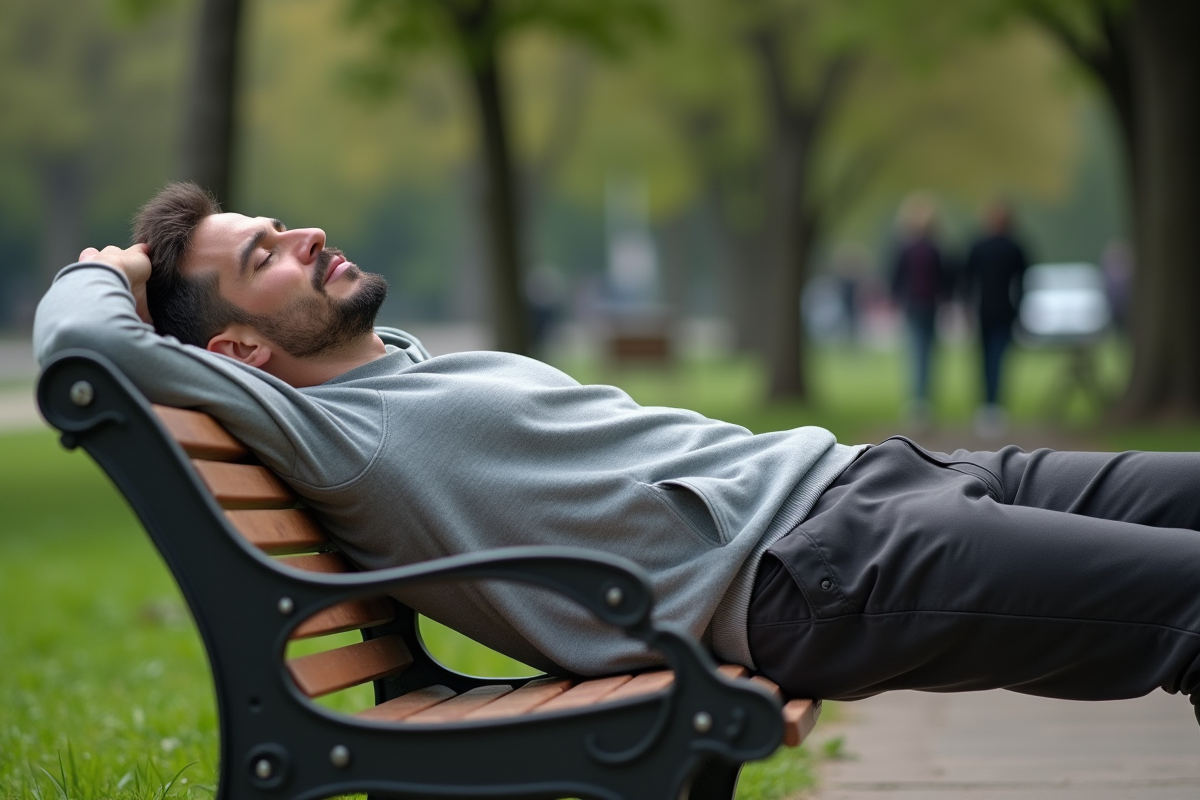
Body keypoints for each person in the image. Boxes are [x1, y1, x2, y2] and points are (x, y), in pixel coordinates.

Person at [34, 183, 1200, 720]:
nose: (309, 232)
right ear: (237, 351)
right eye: (267, 254)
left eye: (280, 223)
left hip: (873, 480)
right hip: (822, 564)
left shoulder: (401, 361)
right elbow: (82, 347)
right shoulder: (323, 430)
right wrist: (114, 269)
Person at [962, 201, 1029, 437]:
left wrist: (967, 308)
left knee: (984, 360)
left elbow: (967, 280)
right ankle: (994, 406)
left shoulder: (979, 246)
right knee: (997, 360)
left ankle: (987, 406)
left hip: (984, 311)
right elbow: (1023, 281)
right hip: (1004, 311)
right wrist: (1020, 309)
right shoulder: (1015, 247)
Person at [888, 193, 951, 427]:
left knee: (916, 352)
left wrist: (896, 297)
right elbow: (945, 278)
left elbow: (896, 277)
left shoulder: (906, 248)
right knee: (928, 353)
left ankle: (918, 401)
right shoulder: (935, 248)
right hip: (929, 304)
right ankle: (923, 401)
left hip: (914, 304)